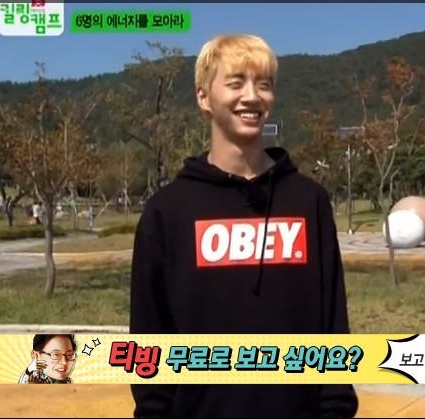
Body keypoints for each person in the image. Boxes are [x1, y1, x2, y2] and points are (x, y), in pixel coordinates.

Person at [130, 34, 358, 418]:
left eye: (263, 85)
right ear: (204, 97)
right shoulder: (167, 212)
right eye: (235, 83)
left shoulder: (309, 202)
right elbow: (149, 337)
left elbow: (333, 325)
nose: (252, 97)